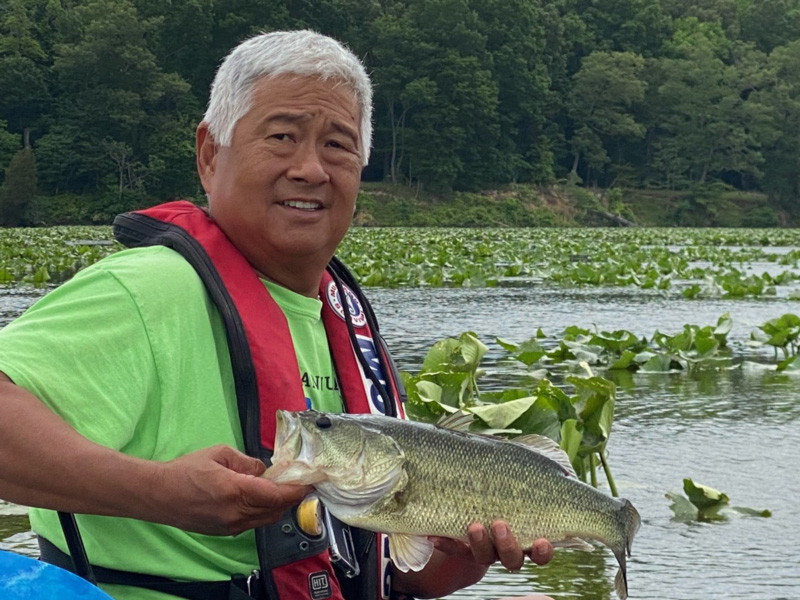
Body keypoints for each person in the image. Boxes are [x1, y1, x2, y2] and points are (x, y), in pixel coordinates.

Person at [0, 30, 554, 600]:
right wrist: (160, 490)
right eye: (283, 136)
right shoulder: (147, 288)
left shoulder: (340, 322)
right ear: (210, 154)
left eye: (338, 145)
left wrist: (454, 558)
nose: (311, 168)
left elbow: (392, 576)